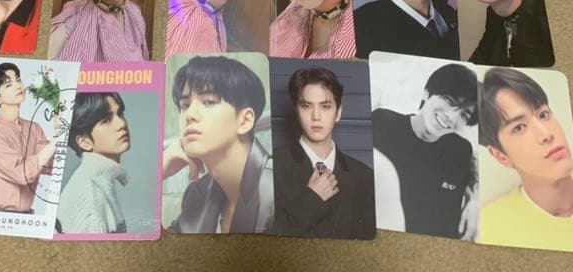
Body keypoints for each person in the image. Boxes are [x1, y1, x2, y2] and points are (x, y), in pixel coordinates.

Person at [163, 55, 274, 233]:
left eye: (208, 102)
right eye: (185, 105)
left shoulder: (280, 189)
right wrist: (160, 171)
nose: (189, 115)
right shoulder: (197, 195)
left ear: (245, 121)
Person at [373, 62, 478, 239]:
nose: (452, 117)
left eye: (464, 115)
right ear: (427, 93)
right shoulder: (382, 122)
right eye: (449, 101)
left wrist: (476, 199)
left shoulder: (460, 150)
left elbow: (473, 179)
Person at [478, 68, 573, 252]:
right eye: (519, 127)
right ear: (501, 156)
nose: (546, 134)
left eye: (543, 115)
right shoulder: (489, 229)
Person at [272, 67, 375, 238]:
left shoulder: (364, 177)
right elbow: (261, 242)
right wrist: (311, 200)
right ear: (296, 112)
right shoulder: (272, 166)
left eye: (325, 106)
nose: (316, 116)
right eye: (306, 106)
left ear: (338, 113)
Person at [0, 63, 60, 212]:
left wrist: (59, 129)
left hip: (28, 215)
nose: (18, 86)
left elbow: (51, 167)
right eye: (8, 84)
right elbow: (22, 173)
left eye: (18, 79)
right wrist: (56, 141)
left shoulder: (34, 128)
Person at [57, 92, 131, 234]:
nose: (121, 124)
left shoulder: (97, 181)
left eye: (120, 114)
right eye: (106, 120)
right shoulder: (91, 202)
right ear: (84, 142)